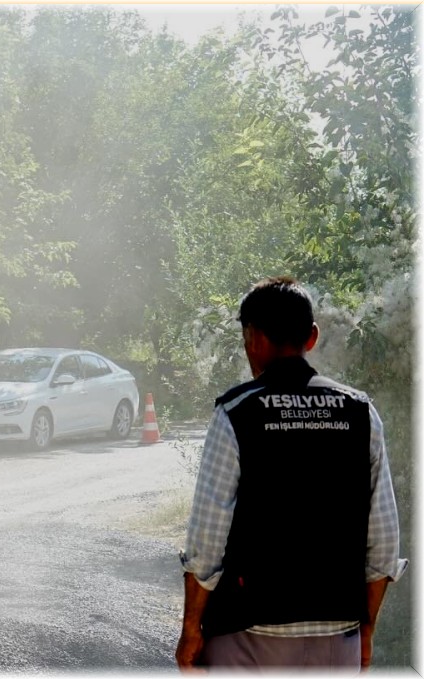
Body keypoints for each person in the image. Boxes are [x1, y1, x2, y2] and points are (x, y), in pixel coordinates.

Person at [176, 276, 407, 670]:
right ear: (312, 337)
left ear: (252, 338)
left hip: (248, 637)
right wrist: (365, 631)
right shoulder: (360, 412)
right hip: (338, 640)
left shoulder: (236, 413)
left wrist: (191, 630)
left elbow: (207, 543)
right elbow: (383, 544)